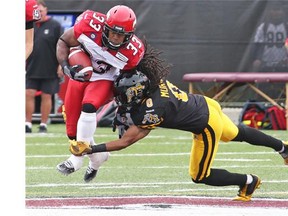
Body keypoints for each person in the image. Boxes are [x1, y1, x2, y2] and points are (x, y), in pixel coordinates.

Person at [69, 43, 288, 202]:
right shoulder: (152, 81)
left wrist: (92, 148)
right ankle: (283, 148)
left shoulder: (153, 109)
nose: (123, 98)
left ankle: (248, 181)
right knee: (236, 133)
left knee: (200, 175)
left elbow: (128, 140)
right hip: (207, 104)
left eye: (126, 94)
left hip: (205, 123)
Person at [56, 5, 145, 182]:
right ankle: (97, 158)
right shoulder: (89, 24)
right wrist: (66, 67)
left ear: (129, 36)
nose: (115, 37)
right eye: (112, 32)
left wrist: (121, 100)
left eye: (121, 35)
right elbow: (63, 41)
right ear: (105, 26)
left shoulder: (133, 52)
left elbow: (129, 79)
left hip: (106, 76)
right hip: (83, 65)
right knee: (72, 122)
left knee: (89, 106)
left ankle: (77, 158)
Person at [26, 0, 64, 133]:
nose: (39, 14)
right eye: (36, 12)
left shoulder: (55, 25)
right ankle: (27, 123)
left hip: (50, 67)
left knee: (46, 96)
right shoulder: (29, 25)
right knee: (28, 93)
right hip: (31, 66)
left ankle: (43, 124)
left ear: (46, 10)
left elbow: (62, 46)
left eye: (40, 11)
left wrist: (60, 65)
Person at [250, 2, 288, 100]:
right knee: (263, 90)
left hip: (283, 65)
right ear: (269, 12)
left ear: (283, 12)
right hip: (266, 65)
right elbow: (258, 45)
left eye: (278, 10)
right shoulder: (263, 27)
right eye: (274, 10)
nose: (276, 13)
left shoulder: (286, 27)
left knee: (282, 90)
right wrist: (258, 59)